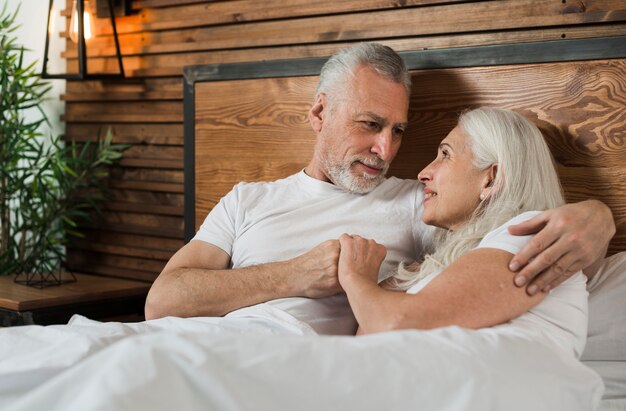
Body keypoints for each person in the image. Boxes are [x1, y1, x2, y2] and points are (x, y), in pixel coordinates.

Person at [144, 43, 615, 335]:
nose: (385, 149)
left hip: (296, 363)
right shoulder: (245, 200)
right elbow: (162, 302)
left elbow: (511, 213)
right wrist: (293, 275)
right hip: (200, 342)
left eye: (399, 131)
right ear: (318, 113)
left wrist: (596, 215)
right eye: (370, 124)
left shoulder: (421, 202)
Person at [337, 108, 591, 356]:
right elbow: (367, 349)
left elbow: (395, 323)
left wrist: (356, 278)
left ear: (491, 179)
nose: (423, 173)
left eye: (445, 155)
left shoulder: (532, 234)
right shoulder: (451, 265)